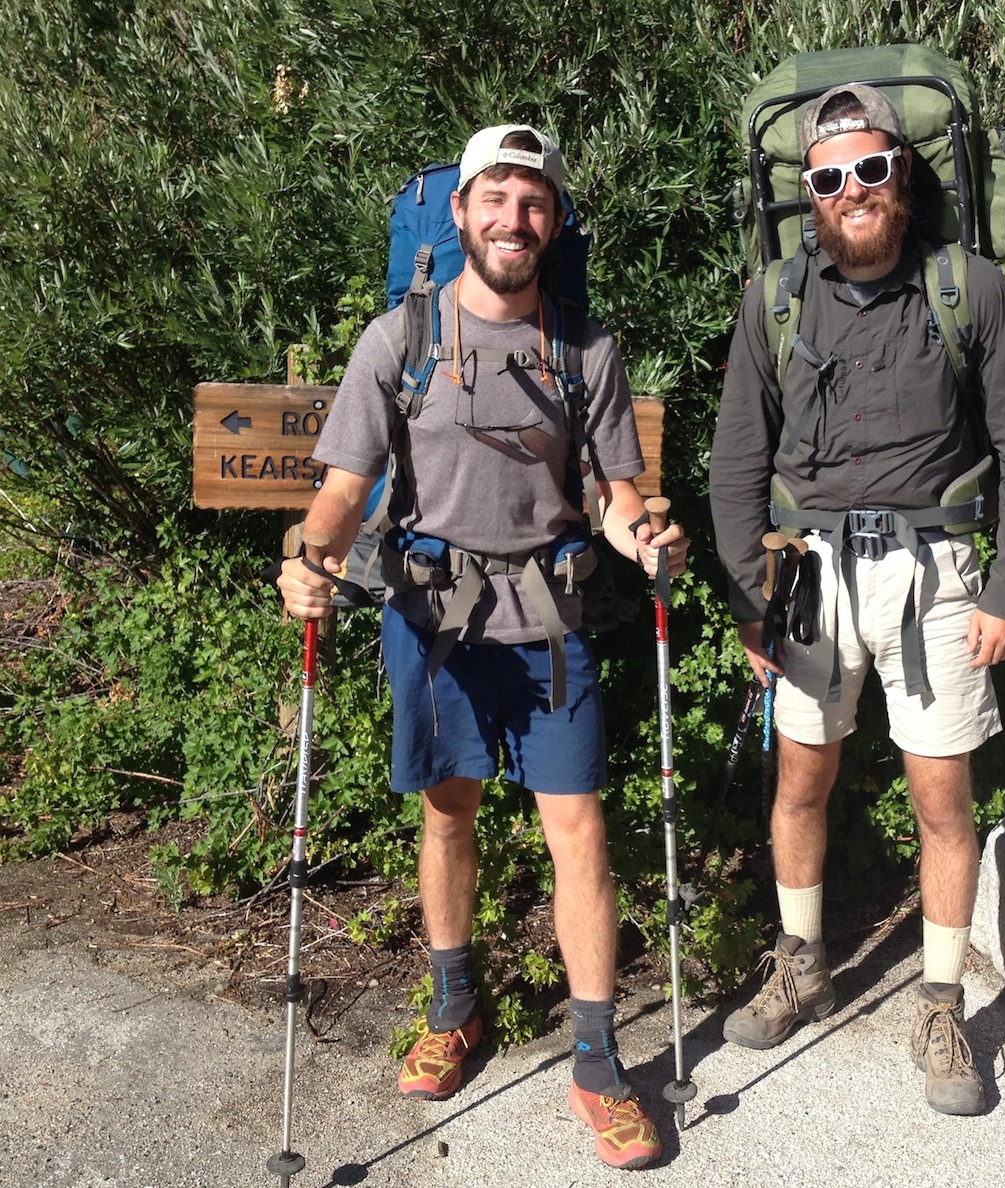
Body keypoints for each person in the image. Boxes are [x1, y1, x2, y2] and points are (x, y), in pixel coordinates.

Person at [277, 124, 688, 1169]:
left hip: (545, 621)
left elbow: (610, 492)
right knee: (445, 817)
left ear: (554, 222)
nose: (513, 218)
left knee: (579, 833)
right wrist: (307, 556)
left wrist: (642, 536)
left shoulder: (582, 348)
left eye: (533, 201)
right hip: (434, 621)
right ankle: (457, 1005)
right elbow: (337, 491)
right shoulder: (396, 341)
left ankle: (597, 1062)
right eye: (493, 198)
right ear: (457, 215)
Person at [708, 84, 1005, 1115]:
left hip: (938, 576)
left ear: (901, 175)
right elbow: (734, 461)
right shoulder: (772, 298)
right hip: (807, 575)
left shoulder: (968, 289)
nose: (849, 189)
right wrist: (744, 599)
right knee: (799, 785)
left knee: (942, 801)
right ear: (806, 193)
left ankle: (942, 1005)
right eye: (826, 176)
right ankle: (801, 963)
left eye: (868, 168)